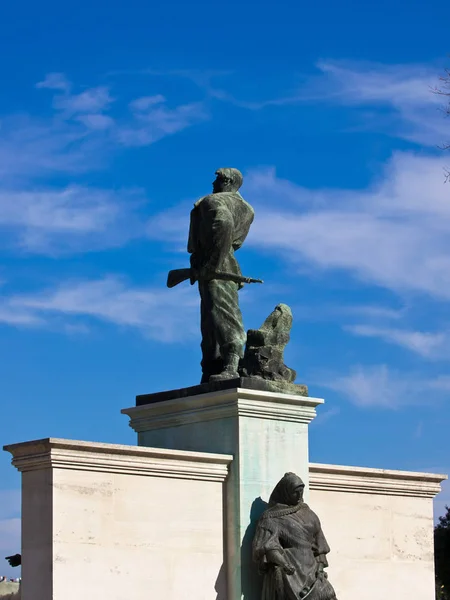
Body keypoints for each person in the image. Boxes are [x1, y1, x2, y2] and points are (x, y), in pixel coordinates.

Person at [188, 168, 254, 383]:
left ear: (226, 181)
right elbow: (235, 239)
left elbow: (223, 223)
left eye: (216, 179)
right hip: (224, 265)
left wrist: (212, 264)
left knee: (221, 315)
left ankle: (229, 366)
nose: (213, 183)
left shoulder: (212, 201)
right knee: (212, 318)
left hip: (216, 265)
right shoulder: (247, 209)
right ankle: (212, 367)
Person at [252, 473, 338, 600]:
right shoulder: (271, 517)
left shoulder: (309, 514)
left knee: (328, 595)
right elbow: (268, 547)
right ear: (285, 493)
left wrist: (320, 569)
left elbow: (320, 546)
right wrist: (285, 564)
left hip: (312, 570)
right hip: (289, 573)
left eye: (301, 491)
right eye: (295, 492)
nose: (299, 496)